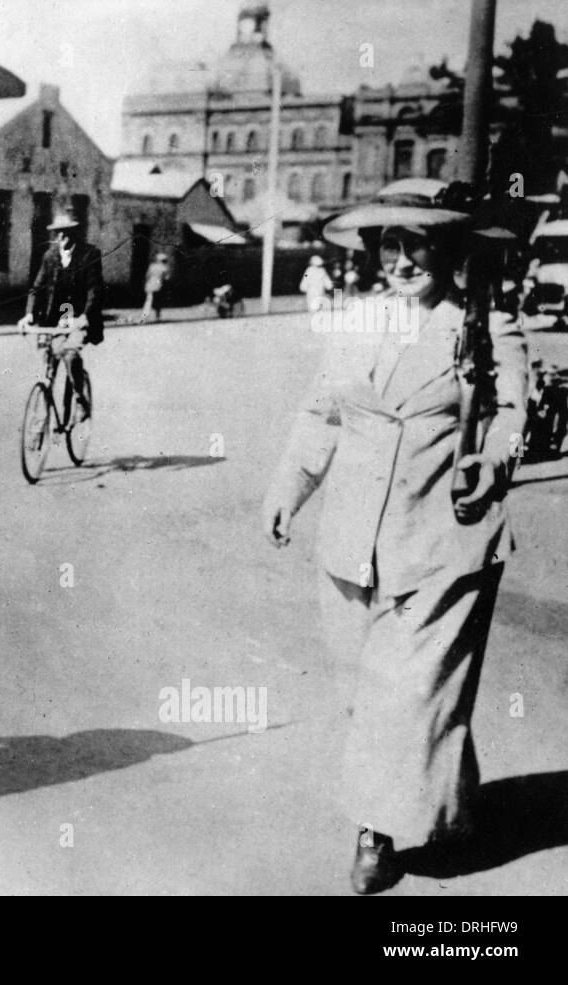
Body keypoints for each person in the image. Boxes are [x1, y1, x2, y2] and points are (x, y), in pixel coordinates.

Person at [262, 178, 528, 894]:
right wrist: (288, 490)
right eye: (390, 244)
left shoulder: (485, 324)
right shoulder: (356, 320)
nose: (402, 259)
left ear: (445, 249)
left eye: (417, 244)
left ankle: (375, 834)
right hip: (352, 539)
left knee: (402, 693)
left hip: (445, 536)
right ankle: (448, 798)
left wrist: (492, 460)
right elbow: (322, 414)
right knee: (369, 688)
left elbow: (512, 415)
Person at [19, 206, 104, 424]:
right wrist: (29, 315)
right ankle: (40, 423)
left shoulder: (89, 254)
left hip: (79, 320)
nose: (61, 237)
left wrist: (85, 317)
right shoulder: (50, 256)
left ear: (75, 232)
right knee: (48, 365)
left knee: (70, 354)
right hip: (53, 322)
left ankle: (80, 399)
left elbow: (95, 291)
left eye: (66, 232)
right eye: (58, 233)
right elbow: (36, 288)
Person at [141, 252, 170, 322]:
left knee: (148, 301)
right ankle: (157, 315)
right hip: (158, 286)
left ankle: (144, 316)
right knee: (158, 301)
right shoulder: (164, 267)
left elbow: (147, 276)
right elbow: (166, 278)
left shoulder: (152, 266)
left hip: (150, 285)